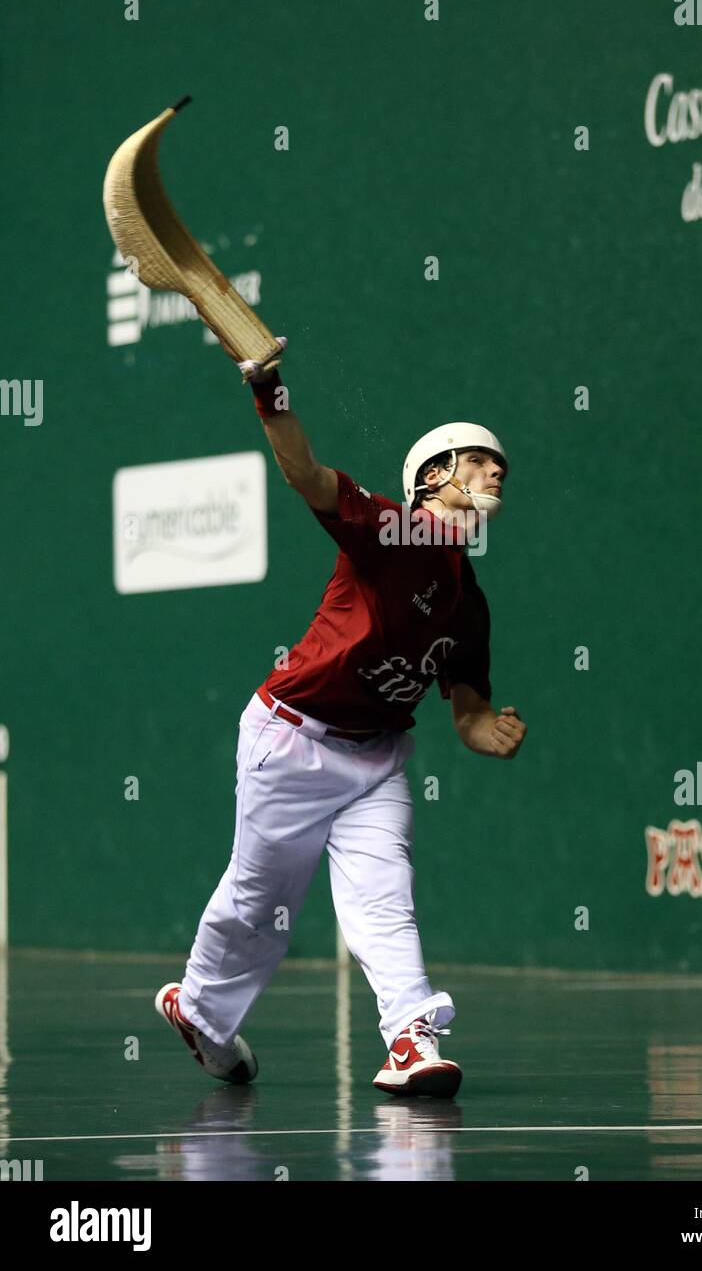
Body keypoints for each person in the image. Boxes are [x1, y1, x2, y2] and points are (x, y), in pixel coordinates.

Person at [155, 338, 527, 1096]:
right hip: (290, 737)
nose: (497, 472)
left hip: (377, 758)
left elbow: (467, 709)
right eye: (481, 459)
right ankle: (198, 1009)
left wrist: (485, 731)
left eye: (501, 466)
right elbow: (306, 474)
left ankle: (410, 1040)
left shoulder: (469, 601)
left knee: (386, 895)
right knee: (261, 902)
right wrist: (268, 388)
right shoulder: (391, 531)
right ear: (435, 476)